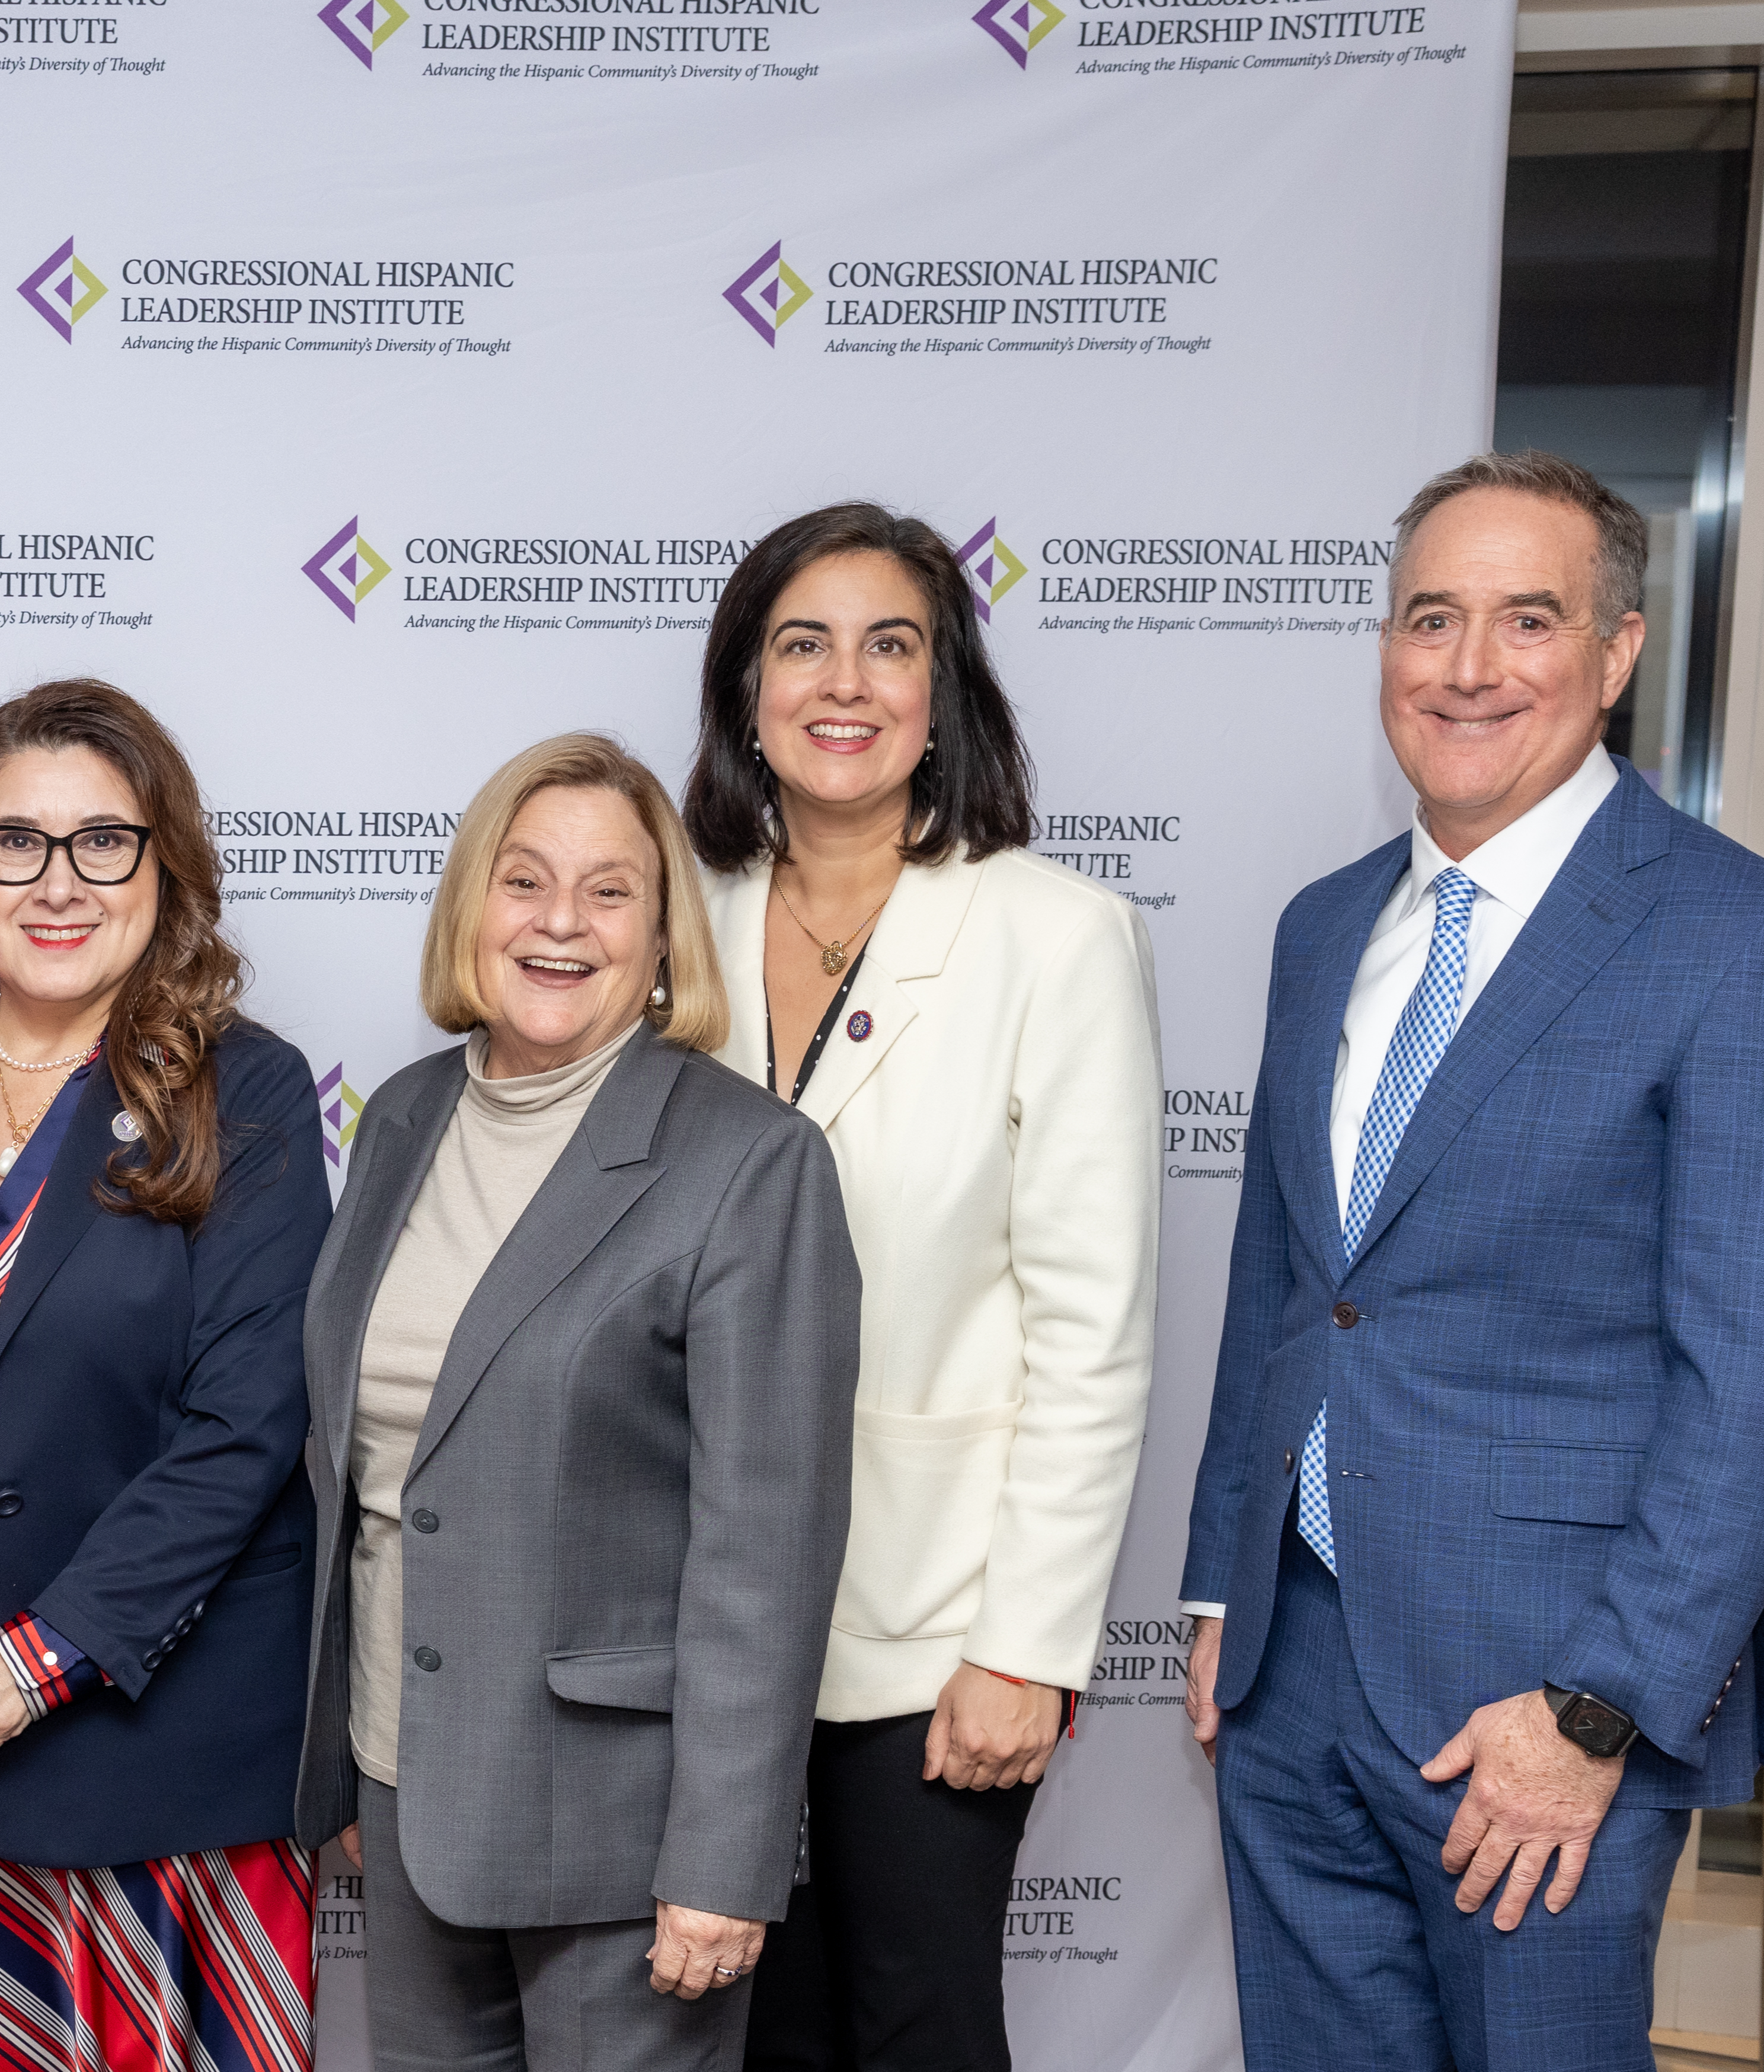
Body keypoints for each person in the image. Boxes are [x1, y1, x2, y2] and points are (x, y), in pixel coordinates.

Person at [1178, 451, 1764, 2072]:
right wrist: (1221, 1586)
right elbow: (1285, 1288)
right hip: (1290, 1678)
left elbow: (1758, 1388)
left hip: (1542, 1702)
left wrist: (1592, 1710)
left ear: (1614, 654)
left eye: (1522, 620)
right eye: (1428, 619)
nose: (1465, 667)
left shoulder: (1750, 945)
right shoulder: (1318, 926)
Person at [678, 506, 1163, 2072]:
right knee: (741, 2037)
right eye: (799, 643)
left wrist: (1025, 1644)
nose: (843, 682)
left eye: (889, 644)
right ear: (743, 690)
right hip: (694, 1611)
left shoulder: (1052, 935)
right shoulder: (668, 923)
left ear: (940, 691)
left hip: (935, 1625)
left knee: (916, 2025)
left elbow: (1090, 1332)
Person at [295, 733, 861, 2072]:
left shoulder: (747, 1162)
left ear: (664, 932)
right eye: (525, 879)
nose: (560, 921)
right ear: (470, 908)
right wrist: (365, 1761)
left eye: (610, 891)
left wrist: (725, 1858)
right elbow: (380, 1476)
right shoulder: (406, 1118)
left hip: (623, 1828)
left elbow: (765, 1548)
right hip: (410, 1784)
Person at [0, 680, 334, 2069]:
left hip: (142, 1702)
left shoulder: (247, 1090)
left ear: (163, 866)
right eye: (14, 841)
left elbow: (245, 1427)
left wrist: (43, 1653)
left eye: (103, 842)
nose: (58, 883)